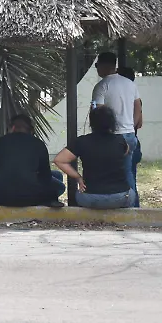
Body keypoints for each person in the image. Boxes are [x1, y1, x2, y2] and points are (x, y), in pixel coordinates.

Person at [54, 106, 136, 209]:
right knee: (131, 194)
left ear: (91, 123)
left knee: (79, 195)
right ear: (112, 122)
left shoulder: (82, 142)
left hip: (90, 197)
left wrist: (78, 177)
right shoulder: (120, 140)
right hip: (120, 197)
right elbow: (126, 151)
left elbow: (59, 160)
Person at [91, 52, 142, 207]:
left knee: (105, 172)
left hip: (112, 136)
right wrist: (130, 126)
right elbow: (138, 107)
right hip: (129, 135)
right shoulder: (130, 84)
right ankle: (134, 207)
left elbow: (97, 112)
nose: (97, 69)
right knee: (128, 172)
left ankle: (115, 203)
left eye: (97, 65)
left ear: (103, 65)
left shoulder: (101, 86)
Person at [0, 115, 64, 207]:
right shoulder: (38, 144)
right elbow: (45, 175)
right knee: (58, 185)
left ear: (12, 127)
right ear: (31, 130)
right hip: (29, 198)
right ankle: (50, 201)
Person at [118, 66, 143, 200]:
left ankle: (131, 204)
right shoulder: (136, 98)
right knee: (130, 176)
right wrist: (130, 128)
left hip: (121, 140)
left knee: (125, 177)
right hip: (134, 140)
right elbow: (140, 122)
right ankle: (134, 205)